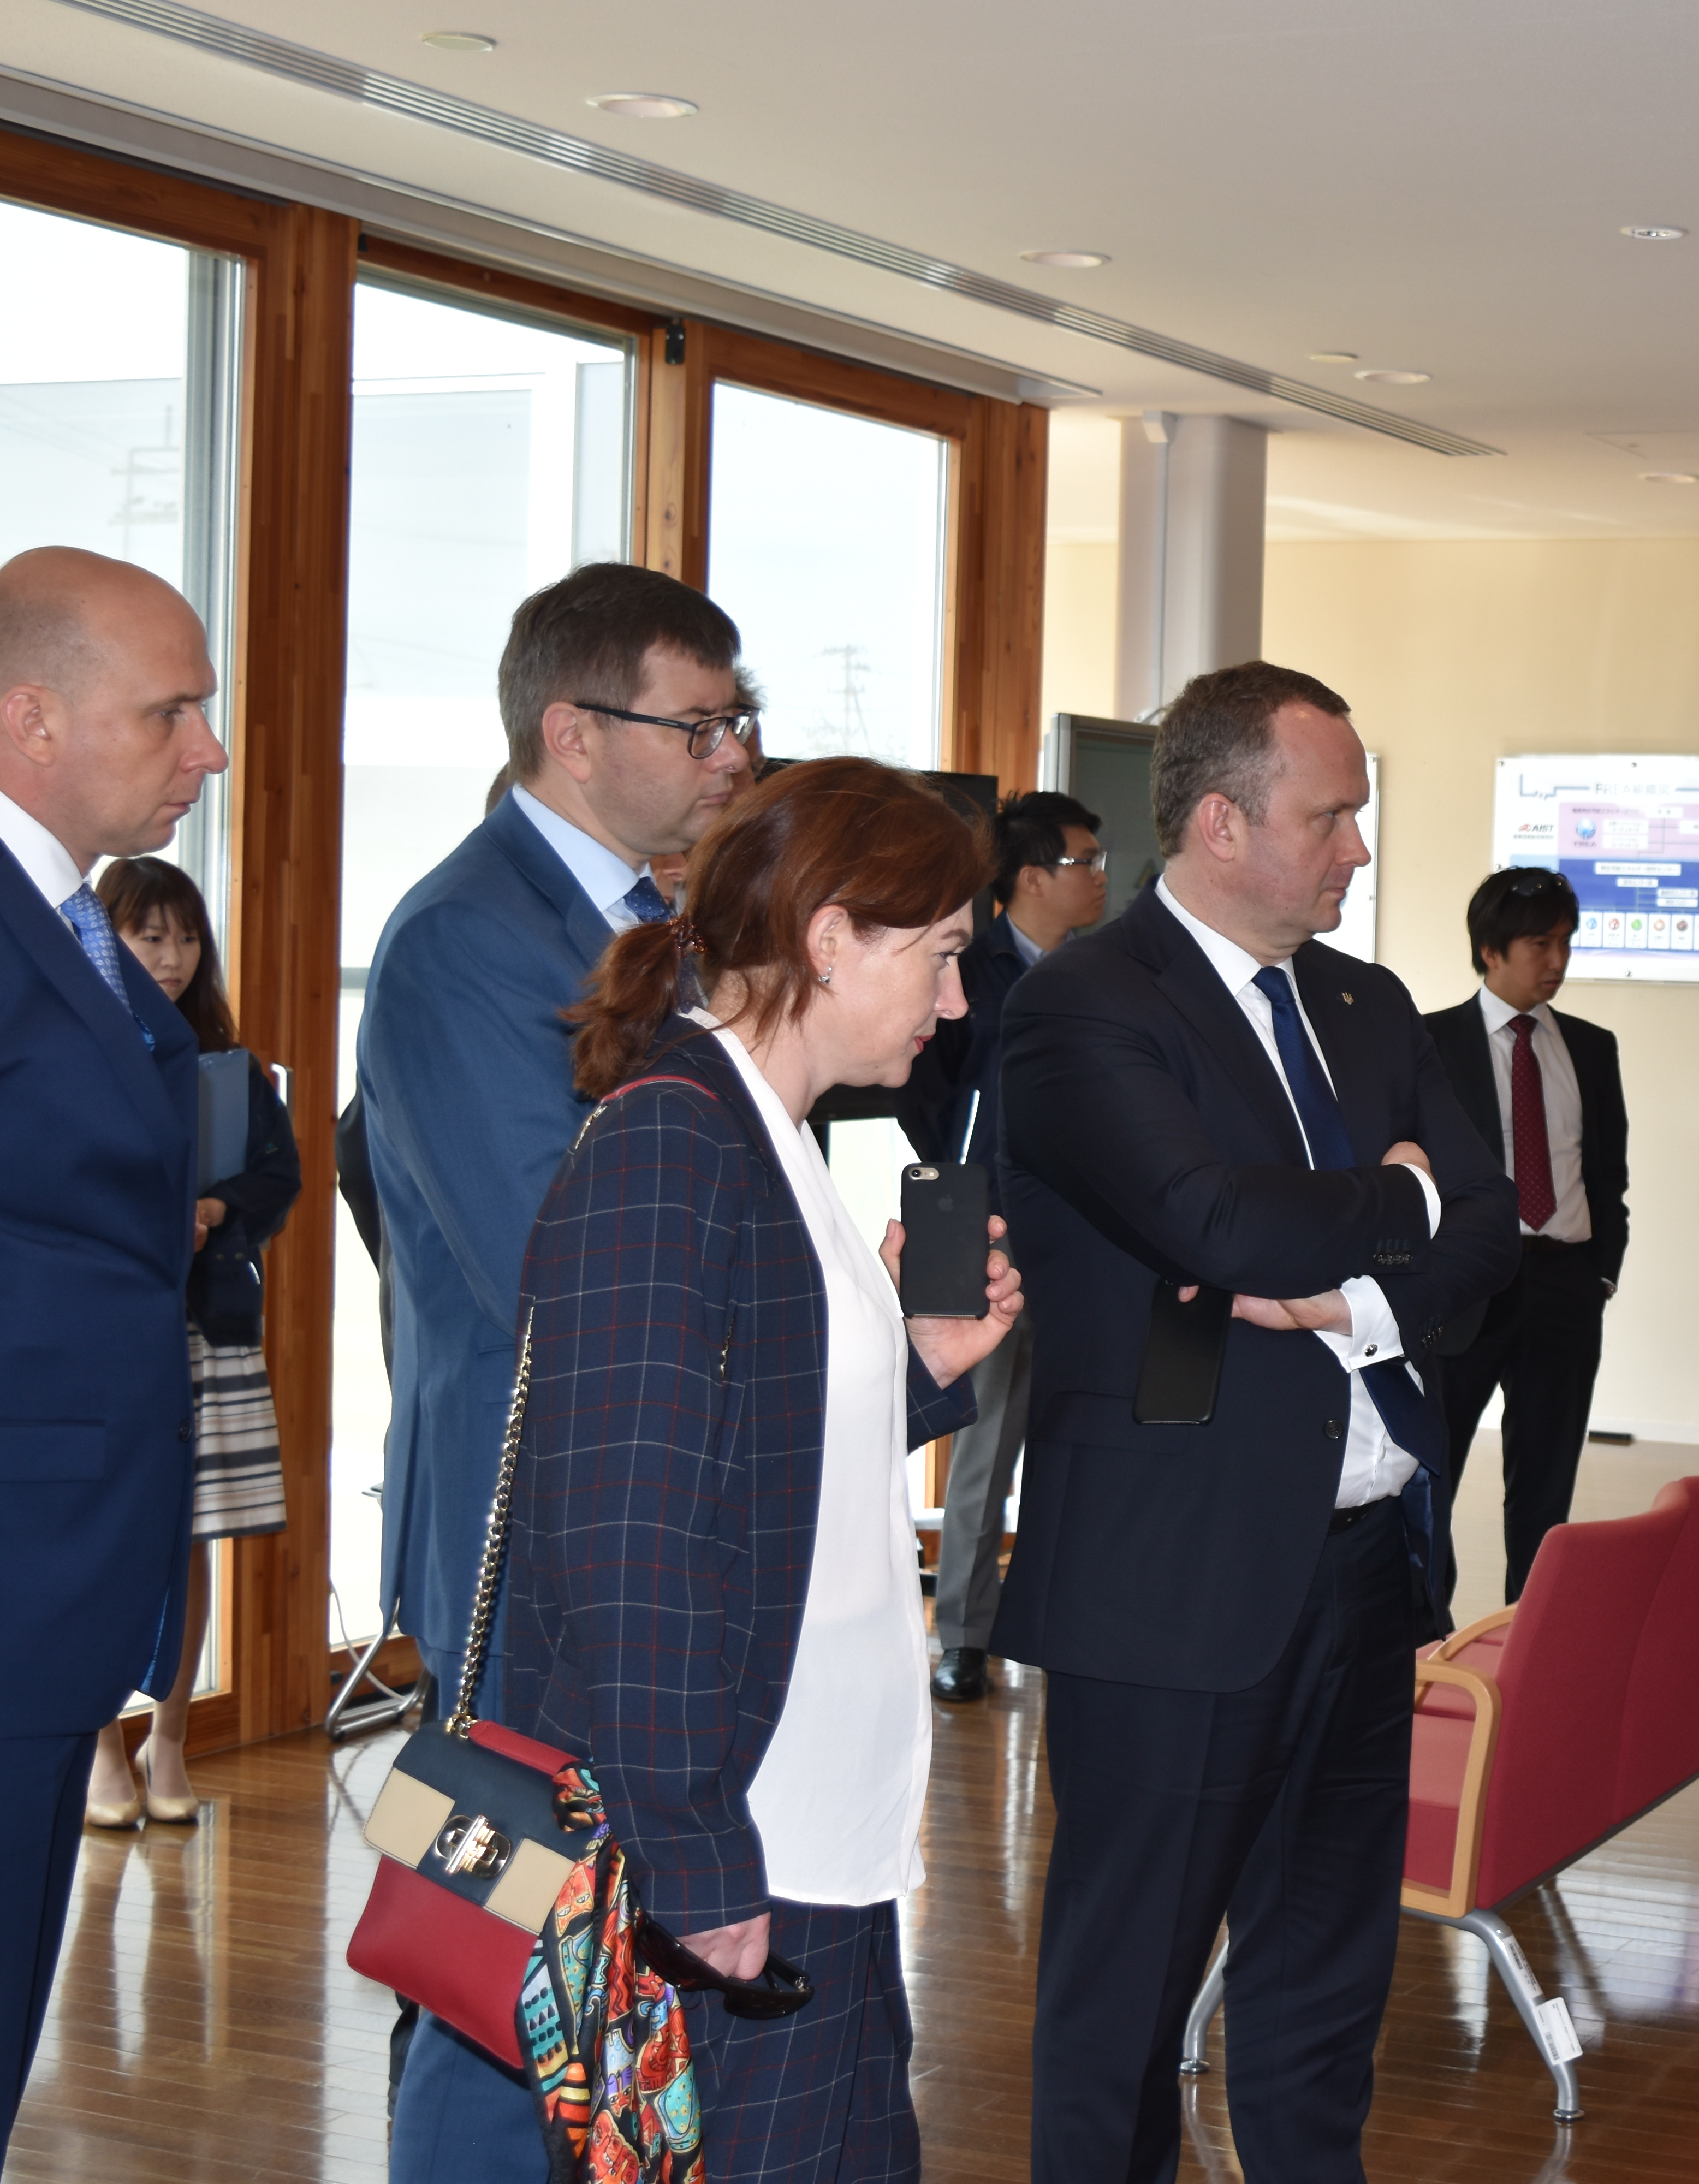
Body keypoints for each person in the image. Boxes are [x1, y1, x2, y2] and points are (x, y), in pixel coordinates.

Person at [994, 660, 1518, 2181]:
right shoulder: (1088, 1003)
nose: (1360, 847)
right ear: (1221, 823)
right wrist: (1403, 1196)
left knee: (1327, 1967)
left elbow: (1493, 1231)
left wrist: (1357, 1294)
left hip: (1362, 1565)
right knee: (1127, 1988)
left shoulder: (1362, 1003)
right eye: (1333, 814)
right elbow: (1214, 1225)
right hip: (1174, 1576)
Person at [473, 756, 1018, 2182]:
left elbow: (763, 1466)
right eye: (943, 955)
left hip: (815, 1831)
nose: (956, 1001)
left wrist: (923, 1367)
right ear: (833, 936)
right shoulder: (672, 1143)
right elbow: (623, 1534)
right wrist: (695, 1860)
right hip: (734, 1844)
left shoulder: (765, 1138)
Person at [361, 560, 758, 2167]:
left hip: (645, 1504)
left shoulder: (664, 927)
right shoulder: (463, 939)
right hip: (516, 1529)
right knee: (494, 1943)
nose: (734, 758)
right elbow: (559, 1260)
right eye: (703, 725)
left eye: (741, 723)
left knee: (611, 1942)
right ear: (573, 731)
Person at [0, 544, 224, 2144]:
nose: (206, 753)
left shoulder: (76, 924)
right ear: (34, 721)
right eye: (173, 714)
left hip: (69, 1565)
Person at [85, 856, 298, 1829]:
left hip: (207, 1325)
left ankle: (170, 1746)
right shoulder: (77, 1045)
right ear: (108, 938)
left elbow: (281, 1177)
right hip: (115, 1331)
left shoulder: (230, 1063)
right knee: (108, 1538)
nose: (172, 957)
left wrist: (218, 1208)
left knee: (192, 1542)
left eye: (184, 936)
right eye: (148, 935)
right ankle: (102, 1756)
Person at [903, 788, 1104, 1701]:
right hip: (982, 1221)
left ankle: (1063, 1616)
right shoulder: (966, 968)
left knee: (1076, 1427)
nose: (1100, 877)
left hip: (1082, 1232)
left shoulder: (1105, 972)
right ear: (1032, 877)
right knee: (983, 1434)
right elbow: (922, 1086)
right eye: (1084, 862)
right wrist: (961, 1160)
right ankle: (967, 1633)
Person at [1423, 867, 1630, 1600]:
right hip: (1469, 1288)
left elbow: (1608, 1176)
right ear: (1490, 951)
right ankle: (1426, 1638)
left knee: (1546, 1484)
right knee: (1431, 1470)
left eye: (1566, 943)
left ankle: (1530, 1640)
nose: (1558, 961)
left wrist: (1601, 1273)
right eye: (1539, 943)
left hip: (1566, 1286)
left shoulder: (1591, 1048)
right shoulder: (1429, 1045)